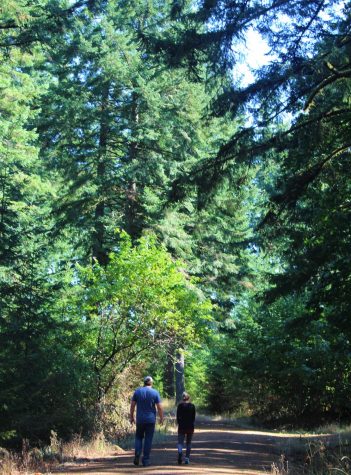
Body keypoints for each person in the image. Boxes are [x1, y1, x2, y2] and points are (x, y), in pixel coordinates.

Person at [130, 375, 164, 467]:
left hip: (140, 420)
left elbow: (132, 405)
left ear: (144, 382)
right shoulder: (155, 392)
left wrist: (131, 417)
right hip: (150, 420)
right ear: (151, 383)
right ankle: (145, 460)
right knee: (148, 439)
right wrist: (161, 418)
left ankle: (137, 453)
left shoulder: (137, 392)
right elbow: (159, 407)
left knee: (138, 437)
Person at [176, 391, 196, 465]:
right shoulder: (192, 406)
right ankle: (187, 458)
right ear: (189, 398)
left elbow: (177, 417)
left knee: (180, 442)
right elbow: (193, 417)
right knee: (188, 443)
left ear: (183, 398)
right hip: (190, 426)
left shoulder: (180, 406)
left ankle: (180, 453)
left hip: (182, 426)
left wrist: (179, 423)